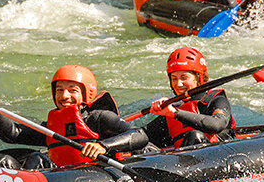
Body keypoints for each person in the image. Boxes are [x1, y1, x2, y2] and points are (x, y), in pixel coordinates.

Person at [80, 47, 235, 160]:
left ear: (199, 77)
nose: (178, 84)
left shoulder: (216, 99)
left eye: (184, 77)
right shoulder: (173, 109)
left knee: (195, 135)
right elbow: (141, 135)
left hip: (222, 157)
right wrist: (105, 143)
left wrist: (174, 113)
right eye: (174, 78)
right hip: (184, 161)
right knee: (139, 147)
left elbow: (217, 125)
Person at [0, 65, 133, 169]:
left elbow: (138, 134)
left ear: (87, 93)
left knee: (37, 159)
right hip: (56, 180)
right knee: (2, 161)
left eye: (72, 90)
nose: (64, 96)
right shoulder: (52, 126)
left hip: (94, 177)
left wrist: (104, 146)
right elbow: (13, 134)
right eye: (59, 90)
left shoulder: (100, 119)